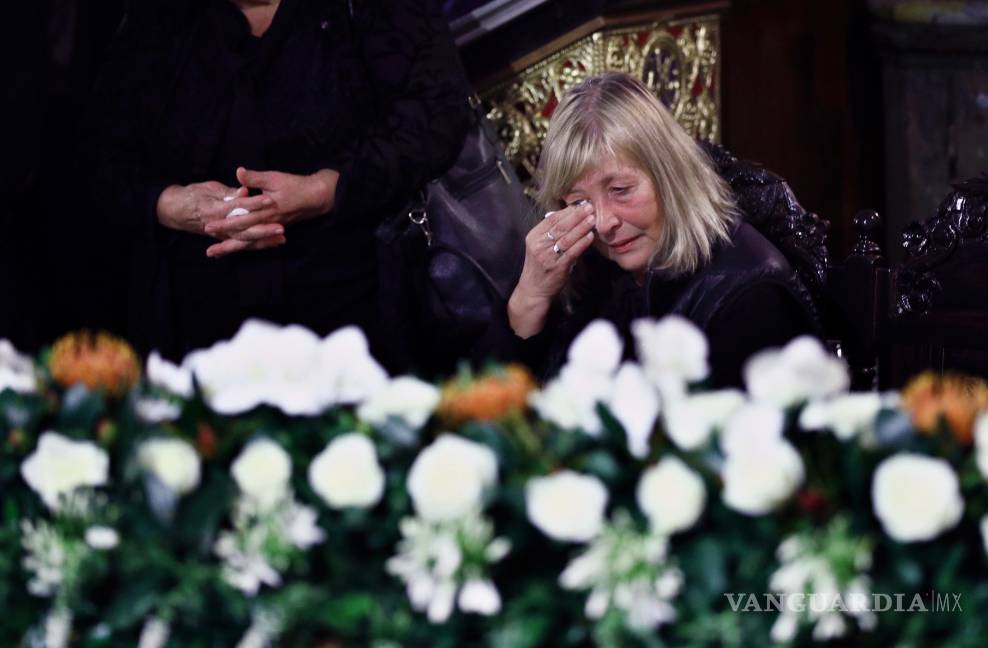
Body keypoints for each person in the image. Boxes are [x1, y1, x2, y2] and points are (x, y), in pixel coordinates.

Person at [85, 0, 470, 363]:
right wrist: (168, 203)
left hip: (370, 309)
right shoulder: (155, 19)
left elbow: (437, 116)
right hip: (205, 336)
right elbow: (99, 154)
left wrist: (325, 190)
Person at [492, 72, 817, 387]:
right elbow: (494, 407)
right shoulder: (595, 270)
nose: (603, 223)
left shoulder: (751, 297)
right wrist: (531, 296)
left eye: (620, 190)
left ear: (669, 174)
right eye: (580, 202)